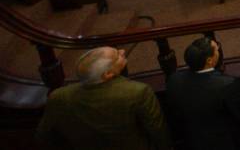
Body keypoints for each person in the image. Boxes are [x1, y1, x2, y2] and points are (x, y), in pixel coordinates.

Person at [37, 46, 170, 150]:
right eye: (117, 56)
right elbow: (157, 130)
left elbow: (44, 136)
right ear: (108, 74)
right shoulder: (138, 92)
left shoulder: (58, 96)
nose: (122, 51)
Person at [166, 36, 240, 150]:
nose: (219, 50)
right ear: (209, 60)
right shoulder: (227, 85)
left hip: (191, 141)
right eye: (217, 49)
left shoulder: (174, 80)